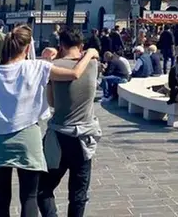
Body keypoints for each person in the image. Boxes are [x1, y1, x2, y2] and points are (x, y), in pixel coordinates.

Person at [0, 25, 97, 217]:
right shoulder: (38, 67)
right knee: (29, 198)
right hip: (28, 139)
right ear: (27, 48)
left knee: (1, 201)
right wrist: (90, 53)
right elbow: (74, 73)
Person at [38, 28, 102, 217]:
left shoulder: (54, 66)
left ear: (61, 45)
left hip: (58, 137)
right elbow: (89, 58)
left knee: (43, 187)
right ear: (81, 45)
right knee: (78, 194)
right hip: (84, 138)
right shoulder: (92, 64)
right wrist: (90, 52)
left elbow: (52, 103)